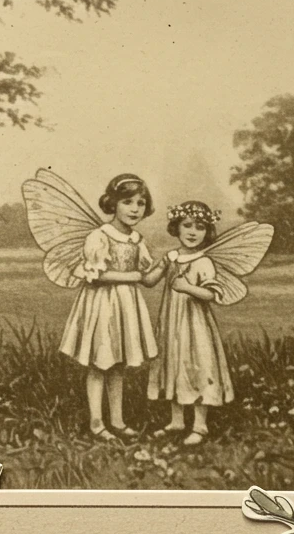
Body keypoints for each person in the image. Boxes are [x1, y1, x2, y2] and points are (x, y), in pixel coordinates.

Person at [57, 174, 166, 440]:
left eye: (141, 203)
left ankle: (117, 421)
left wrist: (166, 265)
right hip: (102, 305)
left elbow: (146, 278)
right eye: (127, 202)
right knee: (99, 363)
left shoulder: (137, 239)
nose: (134, 209)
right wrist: (132, 277)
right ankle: (97, 423)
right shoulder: (100, 236)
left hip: (127, 306)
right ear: (112, 203)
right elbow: (96, 275)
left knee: (118, 365)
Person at [149, 200, 234, 445]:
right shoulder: (171, 257)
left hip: (195, 324)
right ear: (176, 227)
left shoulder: (204, 261)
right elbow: (149, 280)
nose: (193, 232)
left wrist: (187, 287)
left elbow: (211, 295)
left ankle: (200, 425)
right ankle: (177, 421)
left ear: (208, 232)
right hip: (171, 322)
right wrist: (148, 263)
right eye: (187, 225)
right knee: (174, 364)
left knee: (198, 366)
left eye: (200, 227)